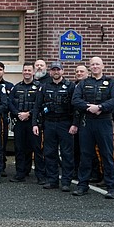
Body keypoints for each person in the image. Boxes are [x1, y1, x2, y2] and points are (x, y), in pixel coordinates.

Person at [72, 57, 114, 198]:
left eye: (97, 64)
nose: (95, 66)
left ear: (102, 66)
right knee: (85, 155)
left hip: (104, 122)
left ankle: (112, 187)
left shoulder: (111, 83)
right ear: (90, 67)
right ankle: (82, 185)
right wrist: (89, 108)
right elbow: (75, 100)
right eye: (92, 64)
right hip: (87, 123)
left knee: (107, 155)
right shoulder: (83, 83)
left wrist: (100, 107)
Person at [32, 61, 78, 192]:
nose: (56, 72)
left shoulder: (70, 86)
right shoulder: (44, 86)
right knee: (49, 152)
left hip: (65, 123)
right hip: (49, 123)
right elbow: (37, 106)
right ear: (50, 72)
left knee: (67, 153)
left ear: (62, 71)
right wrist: (35, 123)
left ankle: (66, 181)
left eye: (58, 70)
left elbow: (76, 108)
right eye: (53, 70)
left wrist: (75, 124)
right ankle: (52, 180)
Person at [8, 63, 44, 184]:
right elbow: (10, 103)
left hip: (33, 122)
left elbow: (40, 104)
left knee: (36, 149)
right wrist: (18, 114)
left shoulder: (39, 87)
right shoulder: (16, 87)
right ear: (22, 72)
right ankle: (20, 174)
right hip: (19, 122)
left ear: (33, 72)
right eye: (25, 70)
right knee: (19, 148)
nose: (27, 72)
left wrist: (28, 113)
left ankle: (40, 176)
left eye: (29, 70)